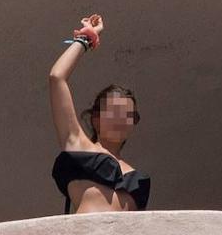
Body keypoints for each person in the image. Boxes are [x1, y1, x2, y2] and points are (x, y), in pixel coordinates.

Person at [48, 14, 150, 213]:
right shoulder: (78, 144)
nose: (122, 119)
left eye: (129, 115)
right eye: (115, 111)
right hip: (85, 233)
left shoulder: (136, 176)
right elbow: (57, 78)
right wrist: (86, 38)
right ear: (96, 118)